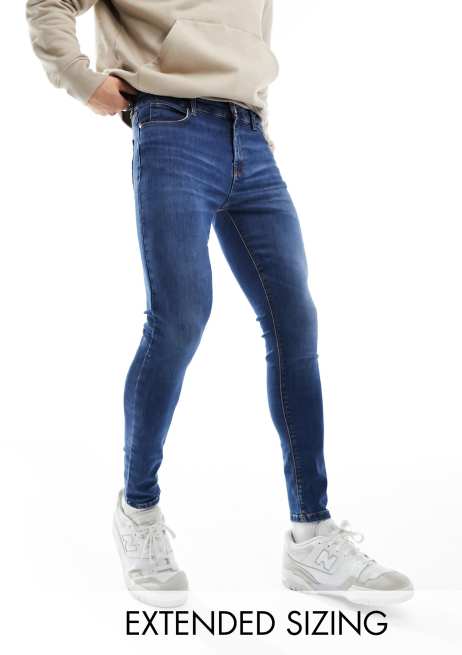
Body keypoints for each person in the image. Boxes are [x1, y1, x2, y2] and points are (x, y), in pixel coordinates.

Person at [26, 0, 413, 608]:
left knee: (295, 325)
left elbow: (248, 37)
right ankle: (139, 511)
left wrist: (257, 119)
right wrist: (78, 77)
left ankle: (312, 536)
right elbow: (48, 4)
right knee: (179, 319)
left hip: (251, 138)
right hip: (171, 125)